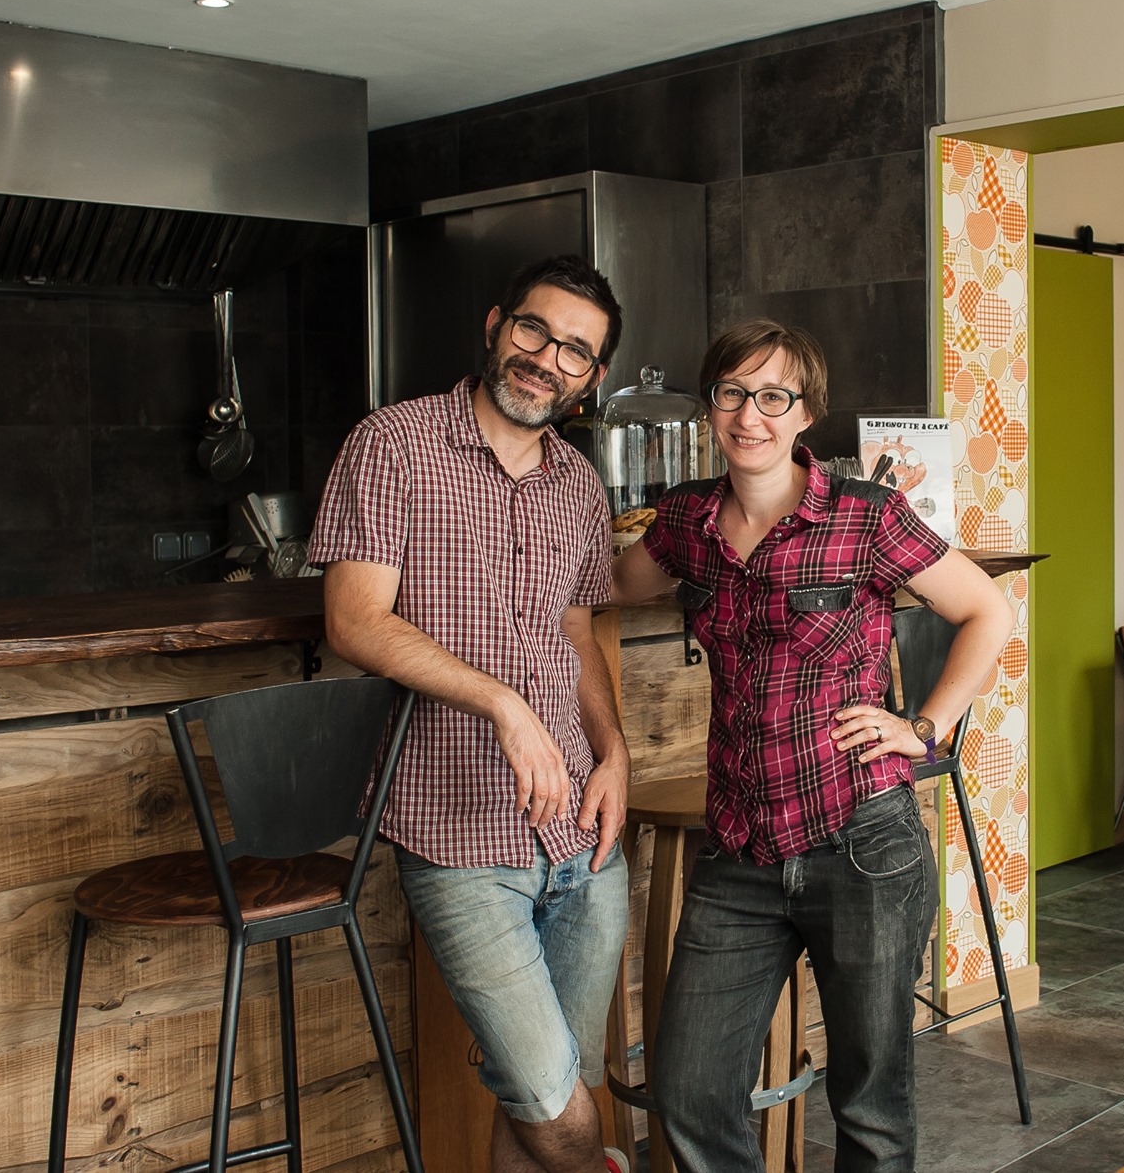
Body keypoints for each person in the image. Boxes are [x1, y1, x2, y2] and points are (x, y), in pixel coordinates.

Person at [612, 319, 1013, 1173]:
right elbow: (602, 585)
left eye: (772, 396)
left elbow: (990, 611)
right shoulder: (686, 521)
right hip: (738, 855)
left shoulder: (864, 518)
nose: (749, 415)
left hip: (861, 844)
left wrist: (923, 727)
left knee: (869, 1104)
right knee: (688, 1089)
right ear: (710, 405)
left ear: (805, 414)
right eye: (731, 393)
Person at [310, 255, 632, 1173]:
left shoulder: (577, 483)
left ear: (592, 376)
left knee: (548, 1098)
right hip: (457, 830)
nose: (547, 358)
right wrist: (502, 703)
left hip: (580, 833)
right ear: (497, 325)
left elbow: (575, 636)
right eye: (534, 330)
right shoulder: (393, 444)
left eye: (576, 349)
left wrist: (612, 754)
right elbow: (352, 620)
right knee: (555, 1106)